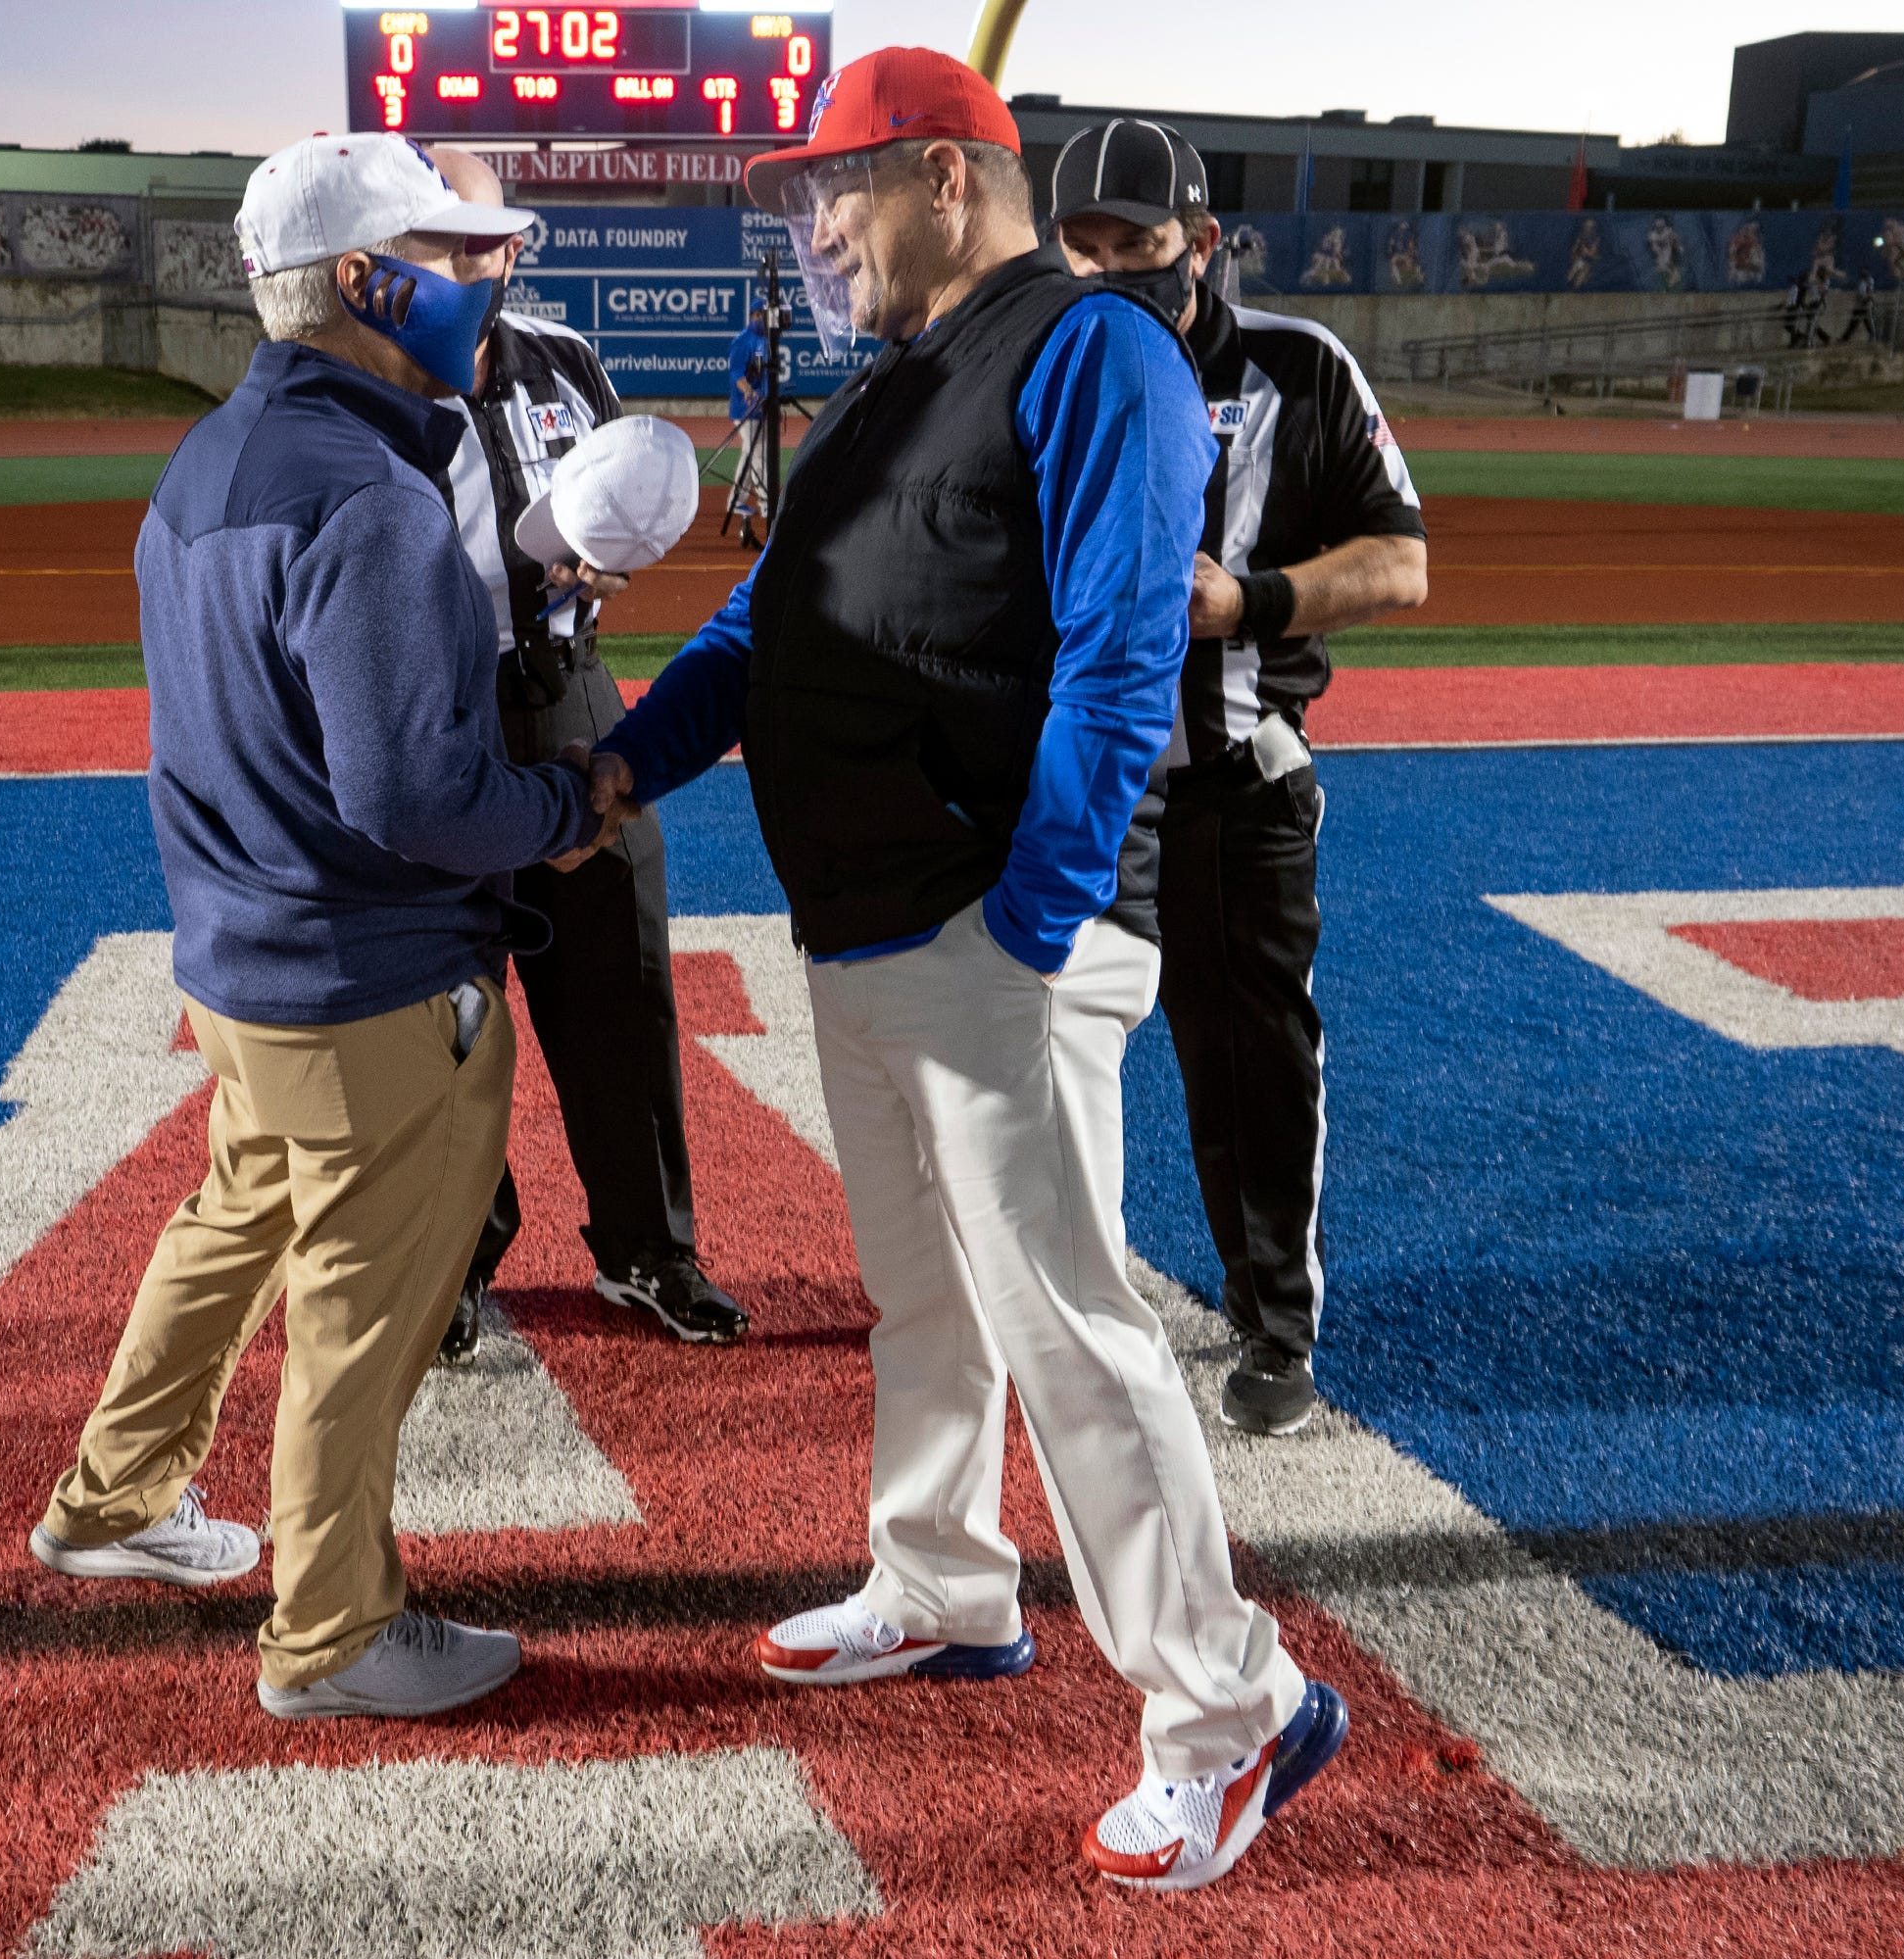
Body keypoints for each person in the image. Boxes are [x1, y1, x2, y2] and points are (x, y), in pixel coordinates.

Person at [585, 47, 1347, 1892]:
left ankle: (1232, 1707)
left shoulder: (1097, 352)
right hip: (866, 927)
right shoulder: (883, 395)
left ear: (943, 176)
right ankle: (943, 1578)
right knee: (924, 1295)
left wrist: (1036, 914)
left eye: (825, 191)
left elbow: (1115, 646)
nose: (806, 230)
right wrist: (615, 764)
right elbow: (763, 631)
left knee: (1069, 1324)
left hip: (990, 932)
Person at [26, 132, 621, 1722]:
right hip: (370, 977)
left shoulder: (209, 459)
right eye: (457, 253)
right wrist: (567, 811)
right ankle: (332, 1630)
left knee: (231, 1221)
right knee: (364, 1306)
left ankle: (114, 1493)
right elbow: (412, 795)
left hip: (239, 958)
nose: (489, 278)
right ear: (367, 281)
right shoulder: (374, 494)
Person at [1050, 118, 1427, 1440]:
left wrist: (1253, 600)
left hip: (1231, 781)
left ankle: (1275, 1317)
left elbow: (1400, 560)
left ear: (1201, 245)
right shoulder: (1030, 361)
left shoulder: (1295, 367)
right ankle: (1024, 1298)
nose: (1104, 271)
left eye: (1136, 244)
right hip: (1068, 779)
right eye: (1080, 245)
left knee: (1245, 1057)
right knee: (1032, 1048)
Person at [387, 147, 745, 1365]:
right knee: (444, 1004)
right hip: (436, 711)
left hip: (569, 692)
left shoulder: (566, 360)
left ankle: (648, 1248)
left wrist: (605, 567)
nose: (464, 264)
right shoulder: (368, 378)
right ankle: (455, 1260)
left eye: (481, 240)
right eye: (433, 242)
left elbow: (615, 509)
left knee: (620, 983)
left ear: (514, 245)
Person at [722, 303, 774, 548]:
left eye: (763, 315)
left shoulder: (766, 340)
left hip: (762, 408)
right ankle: (767, 504)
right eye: (758, 315)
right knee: (759, 456)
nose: (761, 319)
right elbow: (735, 373)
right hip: (745, 409)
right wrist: (748, 391)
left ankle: (738, 500)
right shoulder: (743, 340)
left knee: (749, 454)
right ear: (752, 315)